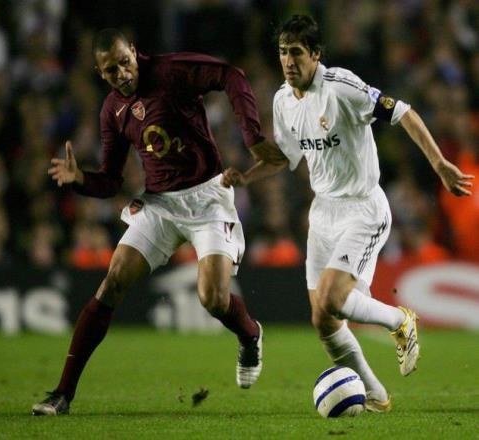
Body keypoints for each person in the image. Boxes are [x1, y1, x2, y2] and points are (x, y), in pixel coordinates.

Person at [222, 15, 474, 412]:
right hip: (322, 213)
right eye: (283, 52)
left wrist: (440, 164)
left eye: (296, 52)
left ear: (315, 54)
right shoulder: (283, 100)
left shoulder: (341, 86)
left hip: (363, 209)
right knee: (323, 320)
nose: (288, 61)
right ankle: (375, 394)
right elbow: (285, 157)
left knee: (333, 298)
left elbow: (403, 112)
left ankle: (400, 320)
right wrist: (246, 177)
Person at [32, 28, 279, 415]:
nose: (121, 74)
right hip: (160, 204)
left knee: (213, 299)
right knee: (113, 281)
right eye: (111, 70)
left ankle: (250, 335)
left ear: (134, 51)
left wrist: (251, 135)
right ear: (100, 73)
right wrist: (80, 179)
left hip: (207, 197)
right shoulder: (112, 111)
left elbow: (231, 76)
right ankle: (63, 394)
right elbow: (111, 180)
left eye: (124, 63)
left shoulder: (171, 71)